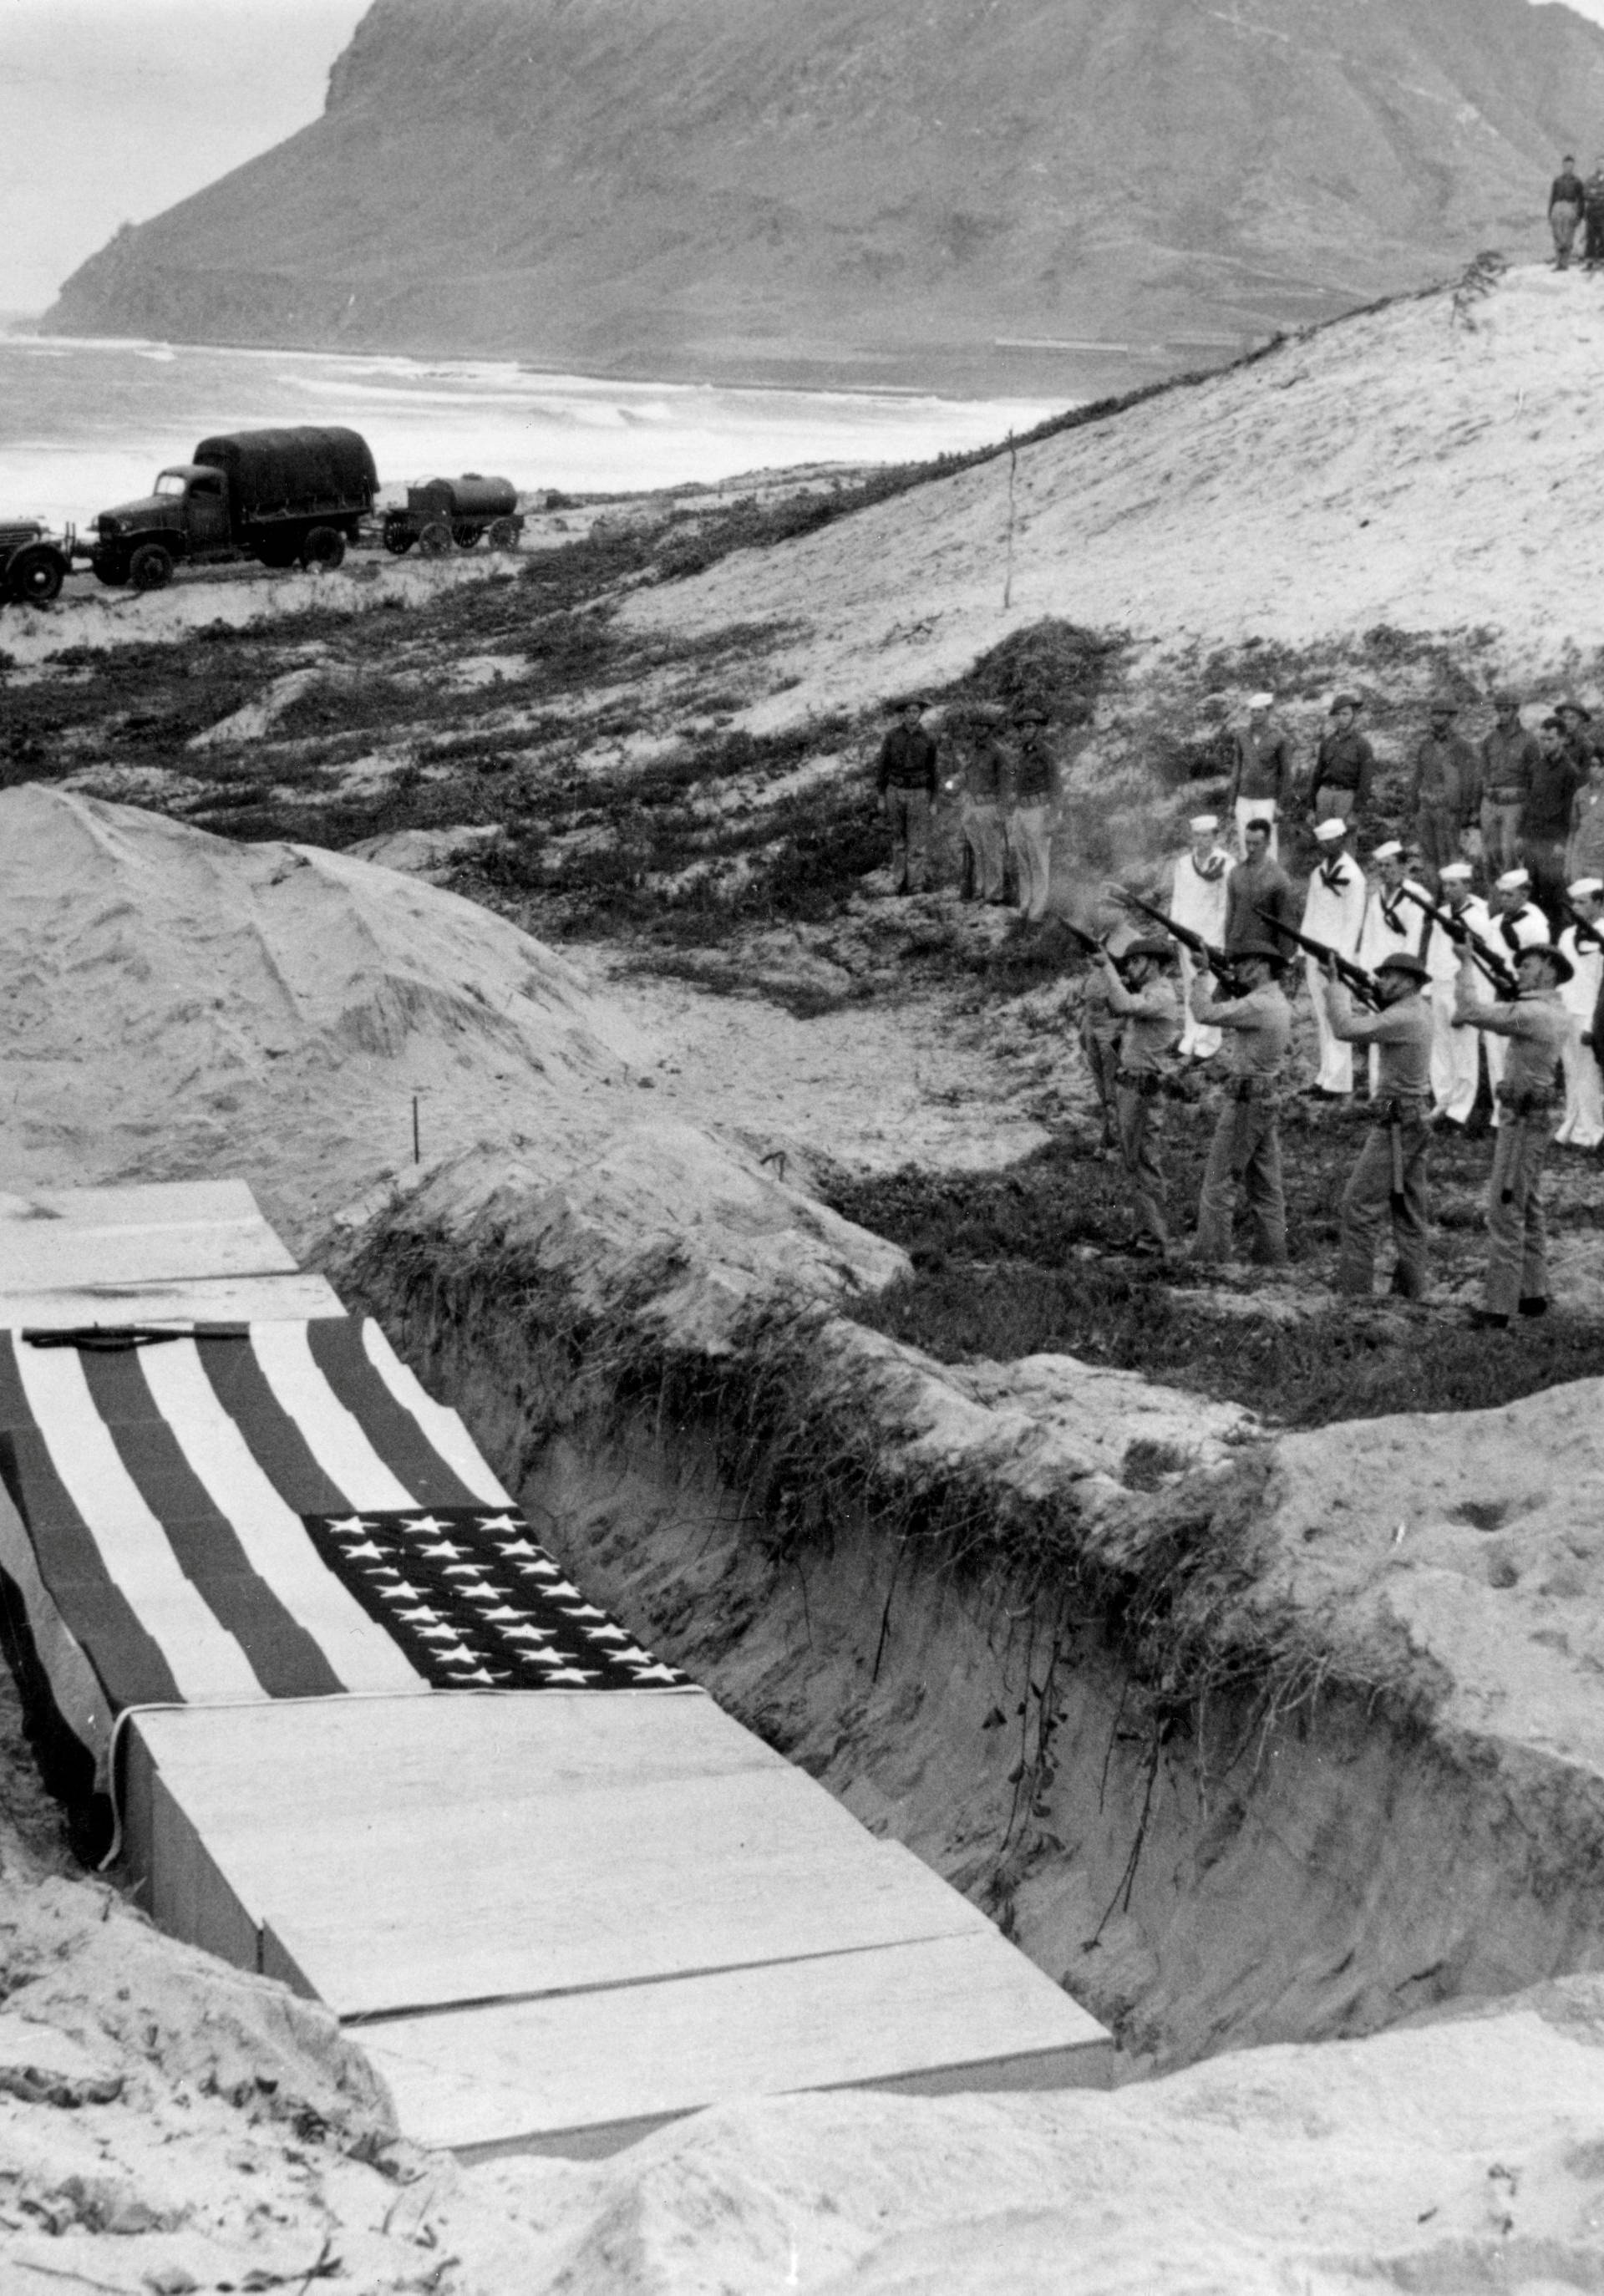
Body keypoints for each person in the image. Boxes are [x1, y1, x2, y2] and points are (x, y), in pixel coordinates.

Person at [1454, 938, 1573, 1327]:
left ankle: (1498, 1308)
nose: (1520, 969)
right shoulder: (1549, 1012)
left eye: (1529, 965)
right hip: (1530, 1117)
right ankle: (1532, 1294)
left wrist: (1467, 965)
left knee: (1506, 1206)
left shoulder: (1534, 1014)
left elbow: (1470, 1011)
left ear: (1549, 972)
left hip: (1521, 1121)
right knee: (1527, 1203)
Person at [1322, 952, 1436, 1300]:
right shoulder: (1415, 1011)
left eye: (1390, 977)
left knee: (1358, 1206)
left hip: (1399, 1119)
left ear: (1410, 983)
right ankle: (1414, 1293)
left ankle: (1355, 1295)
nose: (1382, 983)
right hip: (1407, 1113)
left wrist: (1335, 988)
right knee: (1408, 1212)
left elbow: (1344, 1030)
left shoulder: (1403, 1015)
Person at [1187, 940, 1291, 1268]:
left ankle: (1211, 1261)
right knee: (1266, 1189)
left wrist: (1202, 975)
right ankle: (1273, 1262)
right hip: (1263, 1096)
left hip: (1246, 1098)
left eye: (1244, 963)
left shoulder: (1258, 1005)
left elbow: (1203, 1013)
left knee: (1219, 1185)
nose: (1238, 969)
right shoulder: (1273, 1001)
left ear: (1261, 965)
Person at [1100, 937, 1181, 1254]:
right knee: (1135, 1161)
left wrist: (1106, 968)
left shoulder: (1161, 995)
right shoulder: (1150, 993)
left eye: (1136, 962)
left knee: (1144, 1162)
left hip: (1143, 1087)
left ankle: (1153, 1238)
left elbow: (1122, 1005)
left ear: (1155, 964)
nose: (1130, 968)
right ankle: (1144, 1232)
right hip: (1132, 1085)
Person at [1301, 819, 1368, 1096]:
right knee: (1321, 1014)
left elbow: (1353, 922)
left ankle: (1340, 1081)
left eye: (1332, 841)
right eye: (1322, 842)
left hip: (1335, 957)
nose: (1326, 846)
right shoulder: (1318, 874)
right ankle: (1325, 1074)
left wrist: (1341, 960)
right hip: (1315, 951)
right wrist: (1301, 950)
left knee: (1338, 1015)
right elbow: (1311, 913)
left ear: (1341, 840)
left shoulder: (1354, 876)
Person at [1170, 813, 1232, 1059]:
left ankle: (1207, 1043)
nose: (1202, 840)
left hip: (1210, 936)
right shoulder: (1184, 863)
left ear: (1215, 836)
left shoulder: (1226, 863)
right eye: (1197, 835)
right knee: (1190, 987)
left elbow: (1224, 906)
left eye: (1207, 835)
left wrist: (1217, 940)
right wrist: (1174, 933)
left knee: (1210, 988)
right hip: (1186, 933)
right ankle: (1189, 1038)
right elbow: (1178, 899)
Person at [1432, 861, 1487, 1125]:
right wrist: (1429, 985)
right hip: (1440, 983)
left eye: (1454, 884)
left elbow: (1482, 960)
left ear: (1467, 885)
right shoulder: (1441, 913)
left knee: (1464, 1048)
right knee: (1441, 1048)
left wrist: (1471, 996)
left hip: (1462, 987)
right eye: (1445, 884)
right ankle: (1442, 1101)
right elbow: (1435, 951)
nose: (1448, 889)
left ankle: (1460, 1110)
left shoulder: (1480, 914)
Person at [1556, 878, 1604, 1151]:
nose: (1576, 908)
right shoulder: (1566, 935)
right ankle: (1571, 1127)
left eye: (1582, 902)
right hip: (1567, 1011)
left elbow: (1601, 984)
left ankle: (1592, 1134)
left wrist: (1591, 1024)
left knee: (1588, 1075)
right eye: (1574, 902)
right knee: (1572, 1073)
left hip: (1593, 1014)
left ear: (1599, 903)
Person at [1524, 712, 1585, 924]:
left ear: (1562, 740)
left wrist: (1561, 842)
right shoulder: (1536, 769)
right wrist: (1522, 835)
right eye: (1542, 739)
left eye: (1550, 739)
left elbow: (1573, 812)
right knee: (1532, 888)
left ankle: (1555, 941)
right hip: (1533, 839)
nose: (1545, 744)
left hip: (1554, 842)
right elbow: (1529, 804)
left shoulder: (1571, 772)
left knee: (1552, 894)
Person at [1408, 696, 1480, 873]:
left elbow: (1469, 781)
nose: (1434, 718)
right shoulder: (1425, 745)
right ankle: (1434, 897)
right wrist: (1413, 807)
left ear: (1451, 718)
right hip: (1426, 808)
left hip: (1447, 810)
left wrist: (1466, 812)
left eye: (1440, 714)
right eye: (1433, 714)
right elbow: (1418, 776)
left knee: (1448, 858)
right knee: (1428, 857)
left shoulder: (1462, 747)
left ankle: (1450, 897)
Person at [876, 697, 939, 894]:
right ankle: (899, 881)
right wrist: (881, 795)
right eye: (908, 712)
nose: (912, 715)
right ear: (903, 714)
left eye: (915, 712)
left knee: (917, 840)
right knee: (898, 839)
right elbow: (882, 767)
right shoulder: (892, 737)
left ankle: (916, 883)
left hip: (918, 792)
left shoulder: (928, 739)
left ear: (920, 714)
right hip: (895, 790)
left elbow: (934, 771)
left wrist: (934, 800)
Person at [1225, 693, 1292, 859]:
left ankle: (1270, 883)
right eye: (1253, 711)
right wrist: (1232, 802)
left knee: (1267, 843)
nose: (1255, 715)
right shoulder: (1242, 736)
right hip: (1244, 799)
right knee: (1244, 841)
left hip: (1266, 801)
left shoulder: (1279, 738)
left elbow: (1286, 774)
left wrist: (1281, 805)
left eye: (1260, 711)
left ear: (1269, 712)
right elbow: (1237, 769)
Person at [1480, 690, 1539, 876]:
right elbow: (1483, 771)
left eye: (1506, 710)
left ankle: (1512, 895)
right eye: (1499, 710)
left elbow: (1534, 777)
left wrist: (1528, 807)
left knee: (1509, 852)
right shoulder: (1490, 739)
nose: (1502, 714)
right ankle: (1494, 898)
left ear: (1515, 711)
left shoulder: (1529, 740)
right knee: (1490, 852)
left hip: (1514, 804)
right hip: (1491, 802)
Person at [1008, 705, 1057, 922]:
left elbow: (1056, 786)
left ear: (1038, 730)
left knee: (1039, 862)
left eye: (1030, 727)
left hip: (1039, 810)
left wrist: (1053, 816)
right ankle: (1025, 905)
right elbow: (1012, 775)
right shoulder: (1020, 754)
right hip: (1021, 810)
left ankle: (1037, 912)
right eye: (1023, 728)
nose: (1026, 731)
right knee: (1023, 860)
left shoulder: (1046, 753)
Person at [956, 714, 1009, 903]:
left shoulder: (997, 752)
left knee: (992, 852)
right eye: (976, 726)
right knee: (977, 850)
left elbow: (1005, 781)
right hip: (972, 804)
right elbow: (967, 774)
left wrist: (1002, 811)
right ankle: (981, 889)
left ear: (989, 729)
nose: (979, 729)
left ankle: (994, 894)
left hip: (990, 805)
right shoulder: (972, 750)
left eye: (983, 726)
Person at [1223, 816, 1297, 950]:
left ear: (1268, 843)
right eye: (1248, 843)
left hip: (1265, 952)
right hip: (1238, 949)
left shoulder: (1278, 878)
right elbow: (1231, 915)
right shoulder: (1235, 873)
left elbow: (1286, 922)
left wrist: (1285, 960)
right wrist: (1227, 948)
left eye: (1256, 844)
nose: (1250, 849)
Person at [1308, 693, 1375, 827]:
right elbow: (1317, 776)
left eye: (1345, 714)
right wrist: (1311, 808)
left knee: (1346, 842)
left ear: (1354, 716)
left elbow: (1365, 782)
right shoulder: (1327, 742)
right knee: (1325, 841)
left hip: (1346, 797)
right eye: (1337, 714)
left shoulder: (1362, 745)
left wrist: (1355, 811)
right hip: (1325, 795)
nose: (1341, 718)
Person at [1079, 957, 1122, 1158]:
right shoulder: (1092, 971)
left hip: (1110, 1026)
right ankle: (1108, 1139)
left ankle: (1117, 1146)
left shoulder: (1118, 966)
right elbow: (1087, 1003)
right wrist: (1084, 1031)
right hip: (1092, 1027)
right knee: (1102, 1089)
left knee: (1113, 1088)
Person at [1566, 745, 1604, 885]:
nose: (1596, 770)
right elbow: (1573, 831)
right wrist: (1568, 864)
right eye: (1593, 765)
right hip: (1580, 860)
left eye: (1601, 766)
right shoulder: (1580, 794)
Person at [1551, 154, 1586, 267]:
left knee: (1568, 234)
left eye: (1571, 166)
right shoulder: (1557, 181)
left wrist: (1580, 215)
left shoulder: (1577, 182)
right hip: (1557, 207)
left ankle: (1564, 263)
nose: (1568, 167)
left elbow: (1581, 200)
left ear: (1573, 166)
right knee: (1557, 235)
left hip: (1570, 206)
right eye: (1566, 165)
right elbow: (1552, 197)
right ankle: (1558, 263)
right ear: (1563, 166)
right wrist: (1550, 213)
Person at [1585, 157, 1604, 269]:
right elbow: (1586, 193)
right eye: (1599, 163)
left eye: (1603, 163)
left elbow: (1591, 192)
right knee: (1590, 236)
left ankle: (1602, 260)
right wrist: (1600, 195)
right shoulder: (1591, 179)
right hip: (1592, 211)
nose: (1601, 166)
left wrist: (1595, 192)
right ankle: (1589, 262)